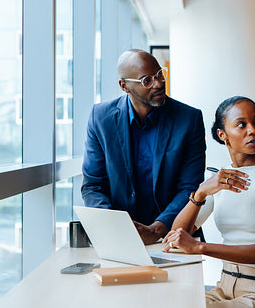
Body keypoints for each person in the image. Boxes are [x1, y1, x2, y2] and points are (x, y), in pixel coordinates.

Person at [162, 96, 255, 308]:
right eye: (241, 124)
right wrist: (200, 193)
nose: (253, 130)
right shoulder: (222, 178)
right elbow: (176, 236)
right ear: (222, 134)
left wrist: (199, 247)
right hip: (223, 289)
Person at [81, 49, 206, 244]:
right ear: (124, 86)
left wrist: (157, 229)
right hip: (119, 239)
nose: (159, 84)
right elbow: (93, 185)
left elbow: (189, 187)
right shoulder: (101, 118)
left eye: (159, 75)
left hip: (174, 237)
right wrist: (117, 227)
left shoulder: (189, 120)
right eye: (147, 80)